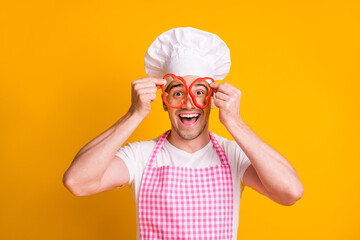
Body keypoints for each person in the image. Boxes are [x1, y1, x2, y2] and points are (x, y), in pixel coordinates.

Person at [63, 27, 304, 240]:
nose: (189, 103)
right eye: (178, 93)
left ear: (211, 99)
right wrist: (133, 114)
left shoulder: (233, 156)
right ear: (165, 101)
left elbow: (290, 192)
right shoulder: (141, 156)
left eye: (199, 92)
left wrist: (235, 122)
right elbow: (77, 182)